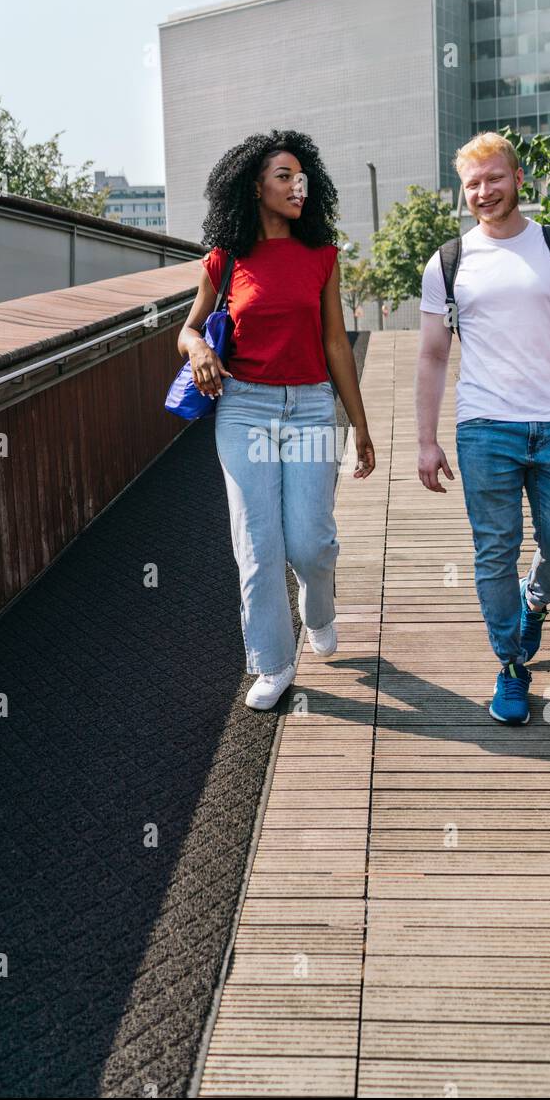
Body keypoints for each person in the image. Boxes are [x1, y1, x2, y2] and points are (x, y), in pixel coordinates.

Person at [415, 132, 550, 725]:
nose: (485, 191)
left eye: (495, 178)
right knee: (494, 551)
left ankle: (536, 599)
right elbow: (432, 355)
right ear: (465, 191)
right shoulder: (449, 262)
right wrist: (426, 441)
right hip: (484, 428)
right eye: (473, 183)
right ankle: (510, 665)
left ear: (518, 178)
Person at [177, 129, 376, 710]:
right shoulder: (225, 258)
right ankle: (272, 662)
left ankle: (320, 607)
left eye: (301, 177)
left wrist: (359, 423)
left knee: (310, 542)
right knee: (257, 546)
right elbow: (188, 328)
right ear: (255, 186)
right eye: (283, 176)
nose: (297, 187)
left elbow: (336, 342)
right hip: (243, 409)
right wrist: (199, 349)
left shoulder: (322, 256)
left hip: (312, 406)